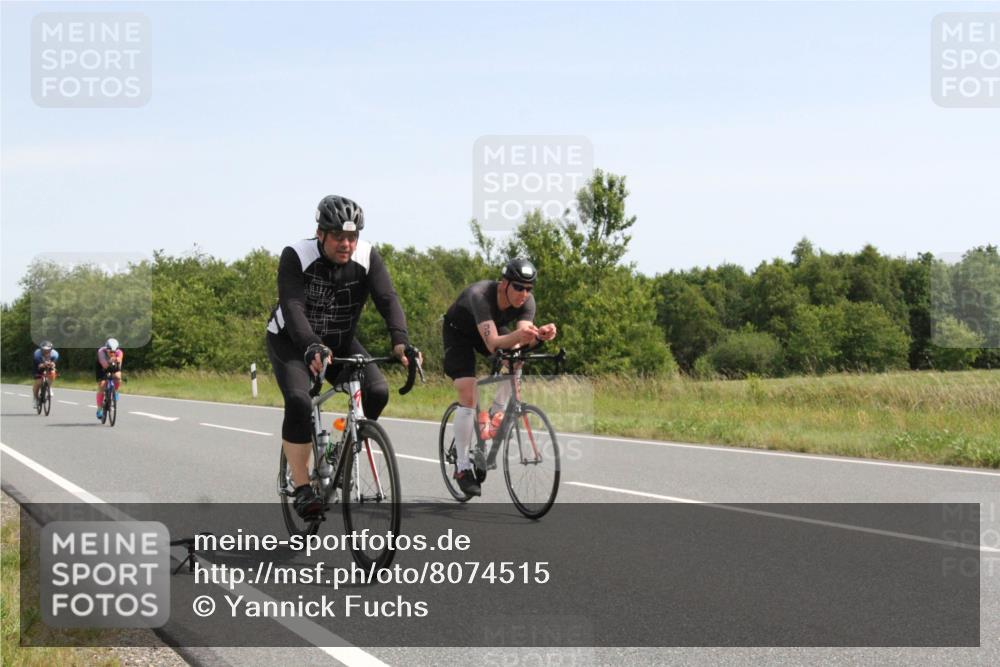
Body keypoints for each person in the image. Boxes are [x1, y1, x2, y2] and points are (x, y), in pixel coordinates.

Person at [266, 194, 420, 519]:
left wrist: (401, 343)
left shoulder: (366, 257)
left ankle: (341, 452)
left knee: (377, 392)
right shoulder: (297, 255)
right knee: (299, 402)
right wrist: (310, 344)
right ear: (320, 233)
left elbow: (387, 299)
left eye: (352, 236)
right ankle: (302, 484)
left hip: (340, 341)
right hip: (292, 340)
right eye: (338, 236)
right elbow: (293, 306)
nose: (346, 244)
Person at [441, 258, 558, 496]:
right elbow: (493, 343)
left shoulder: (527, 301)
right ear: (504, 283)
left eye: (528, 288)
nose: (524, 294)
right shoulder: (480, 295)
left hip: (490, 328)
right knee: (468, 390)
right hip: (459, 334)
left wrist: (540, 336)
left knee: (517, 357)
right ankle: (462, 467)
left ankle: (496, 413)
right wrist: (521, 336)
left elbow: (524, 335)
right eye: (518, 287)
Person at [96, 338, 124, 420]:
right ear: (106, 349)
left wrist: (117, 359)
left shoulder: (120, 352)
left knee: (118, 377)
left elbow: (119, 365)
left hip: (114, 365)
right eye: (110, 351)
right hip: (101, 367)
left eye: (114, 352)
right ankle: (99, 409)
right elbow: (104, 365)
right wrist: (109, 361)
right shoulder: (101, 351)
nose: (112, 353)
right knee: (102, 385)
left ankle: (116, 391)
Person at [32, 340, 59, 408]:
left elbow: (53, 363)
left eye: (48, 350)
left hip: (49, 365)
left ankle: (49, 387)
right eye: (44, 350)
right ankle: (35, 399)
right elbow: (39, 365)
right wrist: (44, 364)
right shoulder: (37, 354)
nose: (46, 351)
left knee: (53, 373)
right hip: (39, 366)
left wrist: (52, 364)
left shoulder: (55, 354)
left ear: (51, 349)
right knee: (38, 383)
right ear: (41, 349)